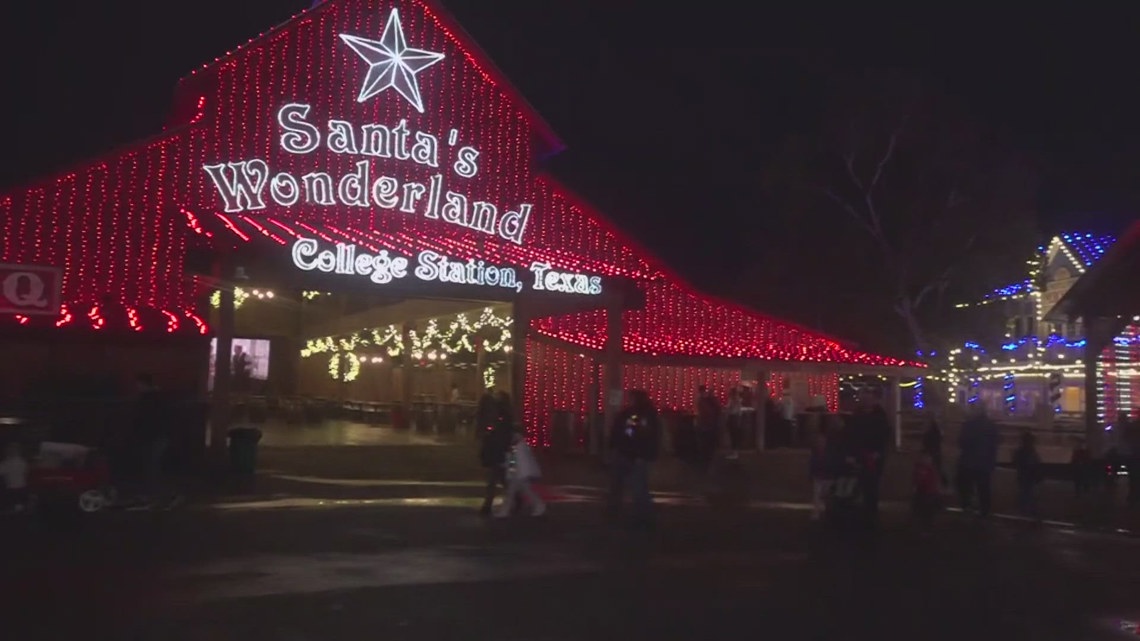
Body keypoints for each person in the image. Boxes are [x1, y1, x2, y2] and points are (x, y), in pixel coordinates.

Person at [608, 389, 662, 529]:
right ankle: (641, 514)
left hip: (634, 454)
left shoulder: (640, 415)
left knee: (637, 486)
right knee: (634, 485)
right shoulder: (640, 414)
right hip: (631, 453)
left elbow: (638, 435)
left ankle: (643, 516)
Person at [848, 391, 891, 522]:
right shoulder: (858, 415)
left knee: (872, 485)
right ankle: (861, 511)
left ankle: (870, 512)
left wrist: (878, 452)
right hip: (861, 454)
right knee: (860, 483)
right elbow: (852, 435)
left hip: (874, 456)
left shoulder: (879, 417)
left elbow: (884, 436)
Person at [956, 404, 999, 518]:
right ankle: (984, 511)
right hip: (984, 463)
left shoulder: (968, 425)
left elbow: (961, 442)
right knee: (983, 489)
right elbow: (995, 444)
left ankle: (967, 507)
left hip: (968, 462)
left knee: (966, 487)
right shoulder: (991, 426)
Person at [477, 392, 514, 517]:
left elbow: (497, 435)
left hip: (496, 451)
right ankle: (514, 498)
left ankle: (488, 504)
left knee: (494, 478)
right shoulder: (503, 417)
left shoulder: (499, 417)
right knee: (500, 477)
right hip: (499, 451)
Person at [496, 430, 546, 517]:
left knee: (514, 492)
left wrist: (509, 469)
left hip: (519, 475)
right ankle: (539, 506)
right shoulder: (520, 447)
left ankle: (504, 511)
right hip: (519, 474)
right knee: (520, 492)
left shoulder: (518, 448)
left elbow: (515, 461)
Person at [1012, 430, 1042, 519]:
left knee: (1025, 492)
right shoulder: (1031, 452)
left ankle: (1025, 510)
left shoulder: (1020, 451)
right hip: (1030, 474)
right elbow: (1035, 463)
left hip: (1023, 474)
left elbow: (1016, 461)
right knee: (1029, 492)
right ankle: (1030, 510)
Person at [809, 430, 835, 520]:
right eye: (819, 440)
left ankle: (828, 512)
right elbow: (812, 464)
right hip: (819, 476)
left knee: (827, 496)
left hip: (827, 477)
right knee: (817, 495)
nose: (821, 442)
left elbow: (831, 463)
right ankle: (816, 513)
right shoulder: (816, 452)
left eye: (822, 440)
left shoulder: (829, 451)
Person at [912, 451, 942, 531]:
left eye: (928, 459)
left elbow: (935, 481)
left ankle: (928, 526)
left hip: (930, 493)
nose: (927, 460)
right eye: (924, 458)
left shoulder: (931, 469)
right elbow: (917, 480)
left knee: (929, 511)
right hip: (923, 493)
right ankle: (923, 526)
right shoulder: (920, 469)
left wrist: (937, 490)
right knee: (922, 510)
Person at [695, 386, 721, 472]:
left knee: (706, 445)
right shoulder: (706, 401)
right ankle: (707, 463)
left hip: (706, 426)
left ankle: (705, 463)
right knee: (708, 445)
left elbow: (705, 413)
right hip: (708, 426)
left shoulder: (703, 401)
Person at [0, 442, 29, 513]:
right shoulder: (23, 462)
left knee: (12, 510)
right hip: (22, 487)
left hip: (11, 489)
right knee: (19, 508)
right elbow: (26, 473)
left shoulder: (6, 463)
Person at [921, 417, 946, 486]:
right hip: (936, 453)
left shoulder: (928, 433)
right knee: (937, 469)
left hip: (931, 454)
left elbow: (926, 444)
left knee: (931, 471)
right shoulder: (936, 432)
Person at [726, 387, 743, 460]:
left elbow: (730, 408)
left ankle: (734, 453)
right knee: (734, 436)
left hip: (733, 418)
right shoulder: (737, 400)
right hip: (735, 418)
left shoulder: (733, 400)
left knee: (733, 436)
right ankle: (734, 452)